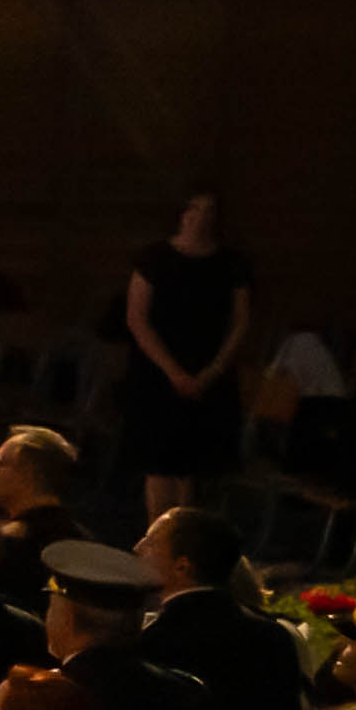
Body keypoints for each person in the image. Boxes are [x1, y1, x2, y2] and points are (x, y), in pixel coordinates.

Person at [118, 190, 252, 521]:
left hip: (207, 367)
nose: (201, 217)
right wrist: (172, 371)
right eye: (194, 208)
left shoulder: (231, 263)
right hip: (158, 371)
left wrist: (213, 371)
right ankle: (158, 533)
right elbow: (137, 317)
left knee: (192, 463)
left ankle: (184, 535)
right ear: (181, 213)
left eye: (209, 210)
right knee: (159, 460)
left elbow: (240, 321)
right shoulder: (155, 258)